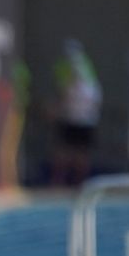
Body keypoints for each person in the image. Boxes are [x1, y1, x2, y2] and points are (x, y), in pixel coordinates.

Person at [52, 38, 102, 187]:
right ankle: (64, 183)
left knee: (76, 154)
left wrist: (58, 109)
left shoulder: (84, 78)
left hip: (81, 120)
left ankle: (73, 183)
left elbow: (66, 96)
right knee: (67, 153)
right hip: (77, 119)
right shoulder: (84, 76)